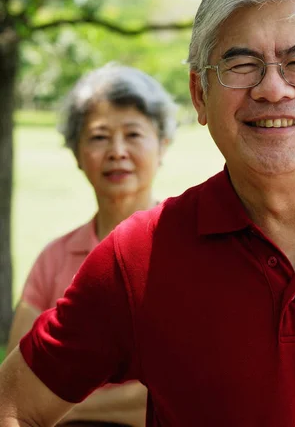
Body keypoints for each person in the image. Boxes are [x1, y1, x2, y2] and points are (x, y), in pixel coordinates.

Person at [1, 0, 295, 427]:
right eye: (241, 65)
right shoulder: (139, 256)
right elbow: (14, 406)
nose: (272, 88)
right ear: (199, 95)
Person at [4, 63, 177, 427]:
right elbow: (16, 385)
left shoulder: (187, 244)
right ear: (76, 154)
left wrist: (63, 405)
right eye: (98, 137)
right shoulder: (54, 258)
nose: (117, 151)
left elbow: (186, 387)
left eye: (133, 134)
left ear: (162, 145)